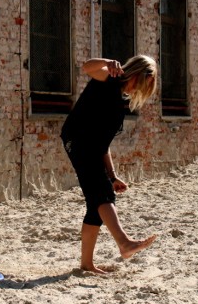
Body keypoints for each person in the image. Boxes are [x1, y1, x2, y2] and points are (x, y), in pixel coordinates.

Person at [61, 55, 158, 274]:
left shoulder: (119, 101)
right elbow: (86, 66)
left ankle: (87, 264)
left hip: (92, 145)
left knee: (96, 205)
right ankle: (124, 243)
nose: (141, 89)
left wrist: (113, 175)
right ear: (136, 74)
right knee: (102, 194)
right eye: (144, 83)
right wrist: (108, 62)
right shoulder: (109, 77)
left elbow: (103, 143)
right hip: (76, 139)